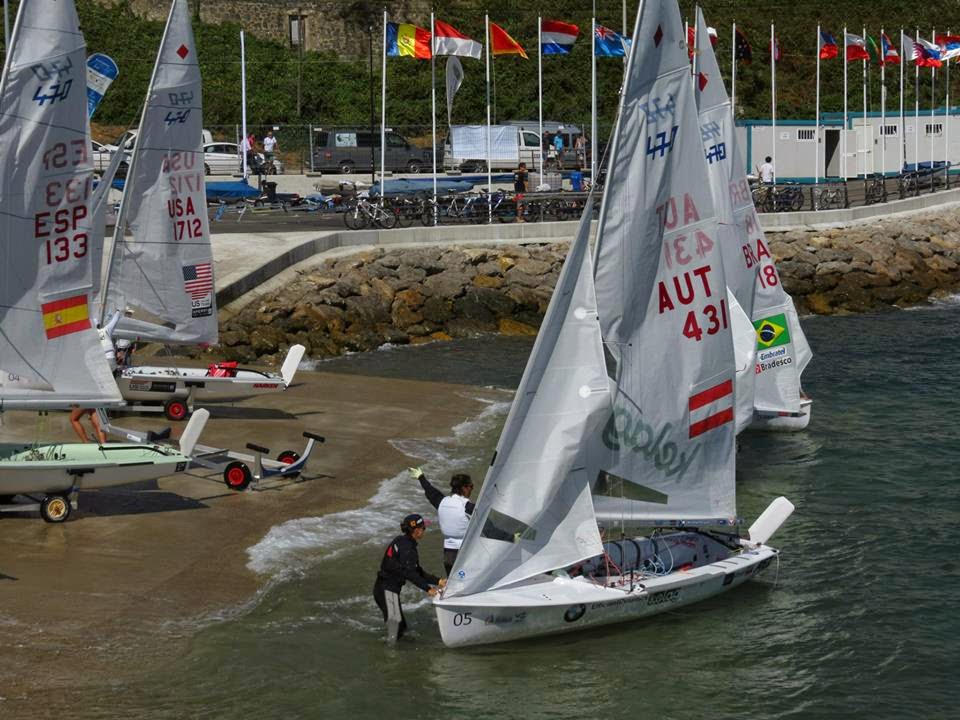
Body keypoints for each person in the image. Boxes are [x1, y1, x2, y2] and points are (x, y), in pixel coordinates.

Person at [372, 514, 445, 642]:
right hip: (387, 591)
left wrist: (438, 581)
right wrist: (428, 589)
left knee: (402, 628)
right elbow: (410, 574)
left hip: (383, 589)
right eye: (423, 528)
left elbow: (416, 570)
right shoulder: (408, 549)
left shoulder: (401, 541)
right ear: (416, 530)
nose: (424, 530)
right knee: (396, 632)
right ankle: (390, 657)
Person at [410, 467, 474, 574]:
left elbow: (430, 490)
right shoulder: (468, 507)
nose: (472, 489)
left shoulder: (442, 502)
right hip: (465, 554)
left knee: (454, 585)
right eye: (471, 486)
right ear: (464, 488)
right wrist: (509, 537)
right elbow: (488, 528)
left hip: (448, 556)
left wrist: (421, 477)